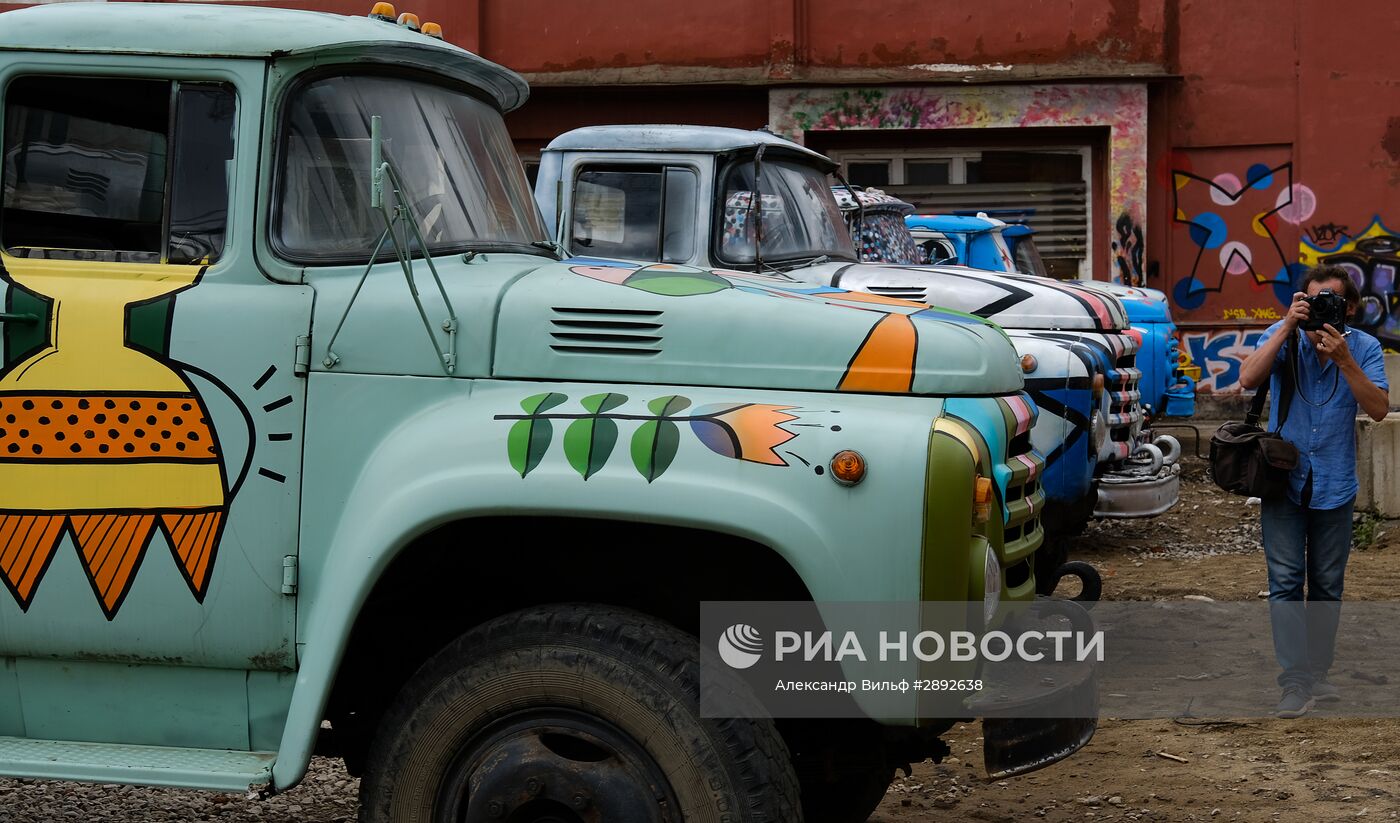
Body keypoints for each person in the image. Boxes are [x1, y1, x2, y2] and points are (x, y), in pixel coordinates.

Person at [1239, 264, 1390, 718]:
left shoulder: (1363, 347)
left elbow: (1380, 409)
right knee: (1285, 583)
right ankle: (1294, 681)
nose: (1321, 307)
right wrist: (1287, 325)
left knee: (1327, 586)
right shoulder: (1284, 336)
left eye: (1331, 301)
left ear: (1350, 308)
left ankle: (1318, 673)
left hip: (1336, 485)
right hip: (1284, 485)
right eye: (1313, 299)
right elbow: (1247, 378)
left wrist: (1345, 361)